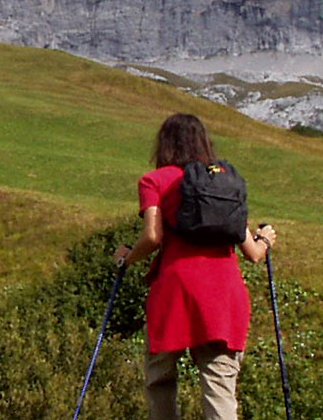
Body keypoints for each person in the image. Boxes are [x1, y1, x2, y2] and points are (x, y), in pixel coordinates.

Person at [113, 113, 278, 420]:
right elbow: (253, 253)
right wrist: (265, 239)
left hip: (175, 292)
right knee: (219, 386)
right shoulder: (222, 182)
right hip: (223, 295)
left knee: (160, 379)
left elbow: (152, 236)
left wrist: (127, 257)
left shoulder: (155, 181)